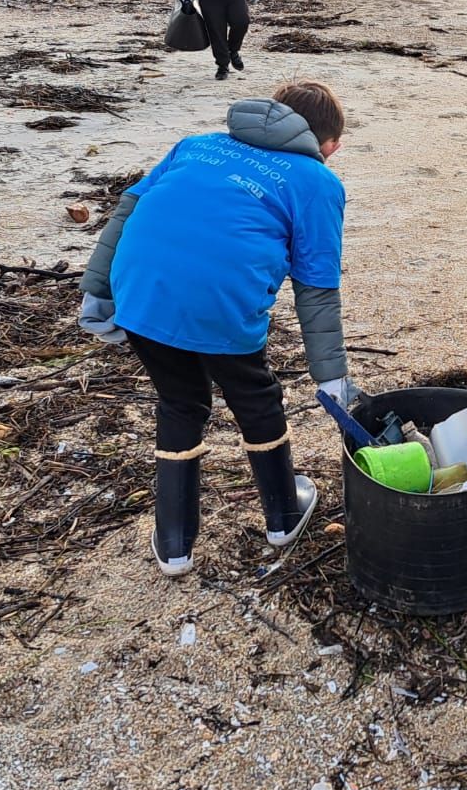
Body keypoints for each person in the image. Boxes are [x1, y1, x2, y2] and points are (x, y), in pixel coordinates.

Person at [76, 83, 355, 577]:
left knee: (181, 402)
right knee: (255, 397)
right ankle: (283, 515)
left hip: (140, 294)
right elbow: (316, 287)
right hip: (219, 306)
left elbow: (128, 209)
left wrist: (97, 290)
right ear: (329, 145)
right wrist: (330, 376)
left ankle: (175, 544)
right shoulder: (317, 181)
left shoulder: (195, 145)